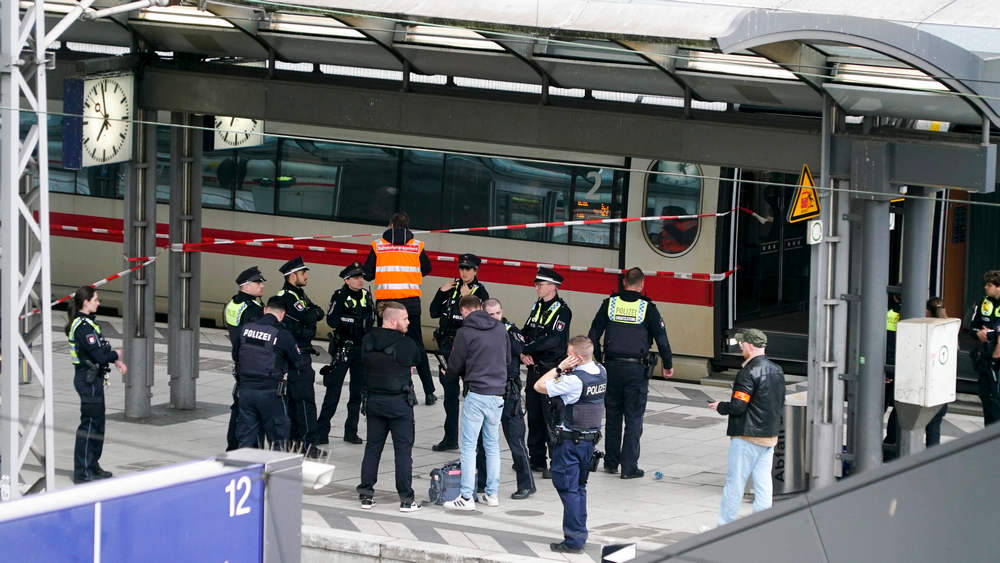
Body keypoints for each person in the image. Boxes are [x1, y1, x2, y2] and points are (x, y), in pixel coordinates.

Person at [588, 267, 673, 479]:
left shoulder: (610, 304)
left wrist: (598, 359)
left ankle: (611, 462)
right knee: (634, 418)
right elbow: (662, 339)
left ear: (624, 282)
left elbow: (593, 333)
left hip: (612, 368)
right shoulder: (648, 308)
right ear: (642, 284)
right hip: (636, 369)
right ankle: (629, 468)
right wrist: (667, 364)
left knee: (613, 415)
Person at [533, 336, 605, 554]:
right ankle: (580, 532)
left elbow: (539, 386)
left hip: (570, 443)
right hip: (589, 442)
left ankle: (574, 539)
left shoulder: (574, 381)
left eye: (569, 354)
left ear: (577, 357)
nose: (566, 357)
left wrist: (559, 368)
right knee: (580, 488)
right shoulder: (601, 372)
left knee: (568, 489)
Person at [708, 329, 785, 526]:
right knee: (763, 484)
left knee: (735, 483)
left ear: (750, 345)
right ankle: (763, 525)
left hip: (747, 436)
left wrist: (720, 406)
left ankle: (725, 527)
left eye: (742, 344)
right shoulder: (777, 370)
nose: (740, 346)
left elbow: (738, 407)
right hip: (769, 436)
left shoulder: (747, 372)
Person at [441, 296, 509, 511]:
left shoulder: (464, 332)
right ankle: (492, 494)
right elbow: (507, 360)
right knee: (492, 445)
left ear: (464, 311)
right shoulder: (500, 329)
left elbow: (456, 364)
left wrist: (450, 373)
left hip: (477, 393)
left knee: (469, 447)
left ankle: (467, 497)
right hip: (498, 394)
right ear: (480, 308)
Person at [362, 211, 437, 405]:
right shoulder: (416, 247)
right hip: (411, 305)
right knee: (417, 346)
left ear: (391, 226)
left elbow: (368, 274)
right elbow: (427, 268)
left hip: (386, 307)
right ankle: (429, 391)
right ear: (407, 226)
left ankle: (387, 386)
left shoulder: (378, 246)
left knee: (384, 347)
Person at [357, 301, 422, 513]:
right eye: (405, 319)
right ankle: (406, 499)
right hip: (399, 404)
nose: (408, 322)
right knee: (403, 451)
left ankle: (366, 494)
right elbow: (417, 359)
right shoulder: (406, 344)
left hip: (374, 401)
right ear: (393, 321)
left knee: (372, 448)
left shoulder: (367, 340)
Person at [66, 286, 127, 484]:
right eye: (96, 300)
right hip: (87, 379)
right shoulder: (82, 327)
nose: (98, 303)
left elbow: (101, 346)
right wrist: (115, 355)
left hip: (94, 379)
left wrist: (115, 361)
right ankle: (82, 471)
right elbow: (99, 355)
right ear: (85, 302)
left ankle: (93, 465)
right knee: (89, 425)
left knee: (98, 424)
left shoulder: (89, 324)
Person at [476, 298, 535, 500]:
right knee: (482, 441)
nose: (495, 318)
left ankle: (526, 484)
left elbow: (521, 347)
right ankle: (482, 483)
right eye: (490, 315)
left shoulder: (510, 330)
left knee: (516, 440)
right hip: (486, 391)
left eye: (498, 313)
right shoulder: (479, 331)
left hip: (508, 392)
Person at [430, 253, 490, 452]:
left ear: (475, 271)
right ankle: (450, 438)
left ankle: (473, 441)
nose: (464, 272)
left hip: (469, 350)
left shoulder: (480, 292)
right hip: (448, 347)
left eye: (468, 269)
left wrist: (467, 298)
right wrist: (441, 291)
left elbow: (483, 320)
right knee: (449, 395)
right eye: (461, 268)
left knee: (471, 396)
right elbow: (433, 312)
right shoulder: (451, 288)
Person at [233, 297, 306, 450]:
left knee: (246, 437)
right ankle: (274, 472)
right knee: (279, 438)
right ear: (283, 314)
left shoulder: (245, 329)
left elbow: (236, 355)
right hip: (271, 393)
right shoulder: (282, 334)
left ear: (265, 310)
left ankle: (247, 471)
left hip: (245, 391)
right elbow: (298, 362)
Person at [884, 296, 951, 458]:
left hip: (920, 384)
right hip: (940, 386)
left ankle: (891, 450)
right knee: (934, 426)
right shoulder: (948, 327)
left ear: (927, 311)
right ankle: (932, 458)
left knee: (900, 415)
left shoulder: (923, 329)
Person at [521, 267, 572, 478]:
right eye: (536, 284)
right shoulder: (537, 307)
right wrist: (521, 353)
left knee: (551, 418)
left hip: (552, 371)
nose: (536, 287)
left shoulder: (562, 311)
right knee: (533, 416)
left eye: (540, 284)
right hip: (534, 369)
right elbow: (526, 332)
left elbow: (552, 340)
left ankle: (555, 462)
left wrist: (527, 349)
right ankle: (537, 460)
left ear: (553, 287)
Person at [317, 262, 374, 446]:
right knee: (333, 391)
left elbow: (371, 319)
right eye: (356, 277)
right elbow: (332, 320)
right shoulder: (339, 296)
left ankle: (351, 432)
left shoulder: (366, 295)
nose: (360, 280)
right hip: (343, 348)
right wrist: (351, 320)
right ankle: (322, 432)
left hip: (361, 350)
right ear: (347, 280)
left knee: (356, 393)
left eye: (361, 277)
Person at [275, 256, 325, 457]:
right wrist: (309, 316)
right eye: (303, 273)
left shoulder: (300, 295)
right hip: (296, 356)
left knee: (298, 400)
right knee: (303, 401)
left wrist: (310, 315)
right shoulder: (286, 297)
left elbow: (318, 313)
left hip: (300, 354)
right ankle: (306, 443)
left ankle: (297, 442)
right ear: (292, 276)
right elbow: (309, 316)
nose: (306, 276)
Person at [223, 266, 266, 451]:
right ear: (246, 286)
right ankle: (252, 448)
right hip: (253, 364)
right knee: (254, 409)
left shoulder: (232, 303)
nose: (262, 285)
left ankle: (232, 445)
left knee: (239, 405)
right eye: (258, 282)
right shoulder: (252, 309)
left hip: (240, 360)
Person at [969, 270, 1000, 426]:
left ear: (998, 287)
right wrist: (979, 333)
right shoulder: (983, 302)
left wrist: (991, 334)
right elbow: (972, 327)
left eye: (989, 285)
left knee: (997, 400)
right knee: (985, 397)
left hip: (997, 359)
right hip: (984, 357)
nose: (985, 287)